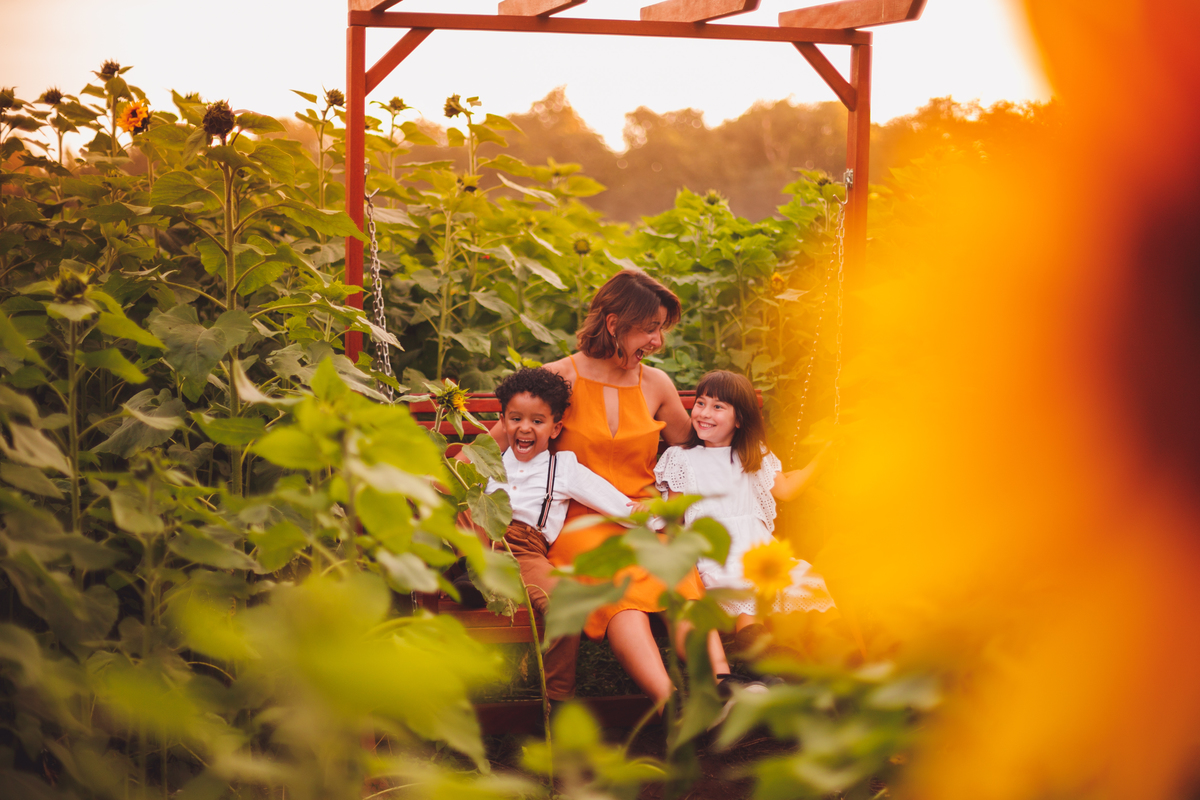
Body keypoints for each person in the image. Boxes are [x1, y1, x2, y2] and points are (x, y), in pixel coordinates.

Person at [488, 269, 754, 709]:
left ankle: (723, 687)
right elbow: (487, 449)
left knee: (679, 579)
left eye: (661, 330)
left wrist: (754, 459)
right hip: (579, 525)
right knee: (620, 589)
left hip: (645, 518)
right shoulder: (557, 379)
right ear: (614, 324)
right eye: (650, 329)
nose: (658, 341)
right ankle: (670, 705)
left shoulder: (656, 384)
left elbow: (698, 447)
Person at [478, 367, 648, 702]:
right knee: (467, 506)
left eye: (537, 421)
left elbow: (611, 500)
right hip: (478, 534)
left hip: (523, 550)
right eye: (515, 418)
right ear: (503, 421)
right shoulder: (486, 459)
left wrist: (653, 517)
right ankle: (470, 573)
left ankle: (557, 698)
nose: (525, 428)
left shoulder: (563, 468)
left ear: (556, 428)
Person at [654, 370, 835, 640]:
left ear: (739, 419)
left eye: (717, 407)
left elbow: (786, 490)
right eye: (701, 403)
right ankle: (757, 655)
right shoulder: (682, 457)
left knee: (810, 583)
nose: (704, 413)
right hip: (718, 555)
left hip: (759, 549)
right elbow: (673, 515)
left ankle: (838, 647)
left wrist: (824, 458)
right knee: (748, 591)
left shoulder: (753, 453)